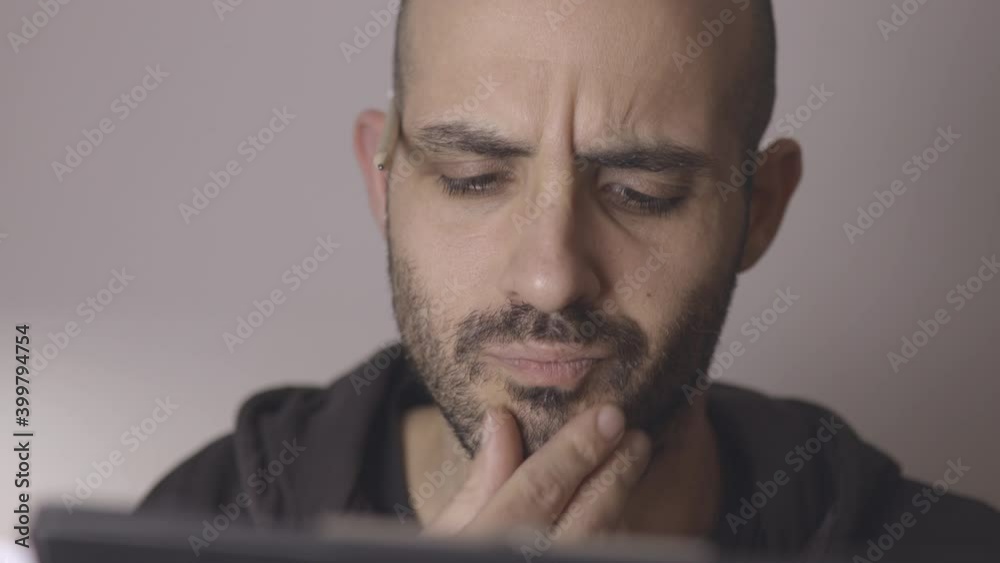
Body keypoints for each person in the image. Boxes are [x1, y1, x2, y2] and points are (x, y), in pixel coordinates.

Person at [139, 0, 999, 558]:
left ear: (760, 208)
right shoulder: (194, 528)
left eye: (642, 191)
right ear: (384, 182)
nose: (550, 278)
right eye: (475, 177)